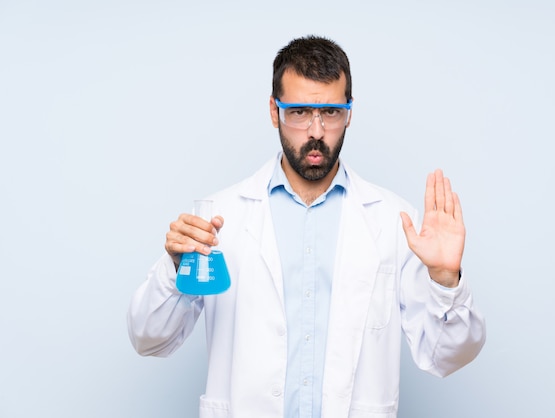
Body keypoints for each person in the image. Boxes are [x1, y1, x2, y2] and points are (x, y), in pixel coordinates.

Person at [127, 35, 486, 418]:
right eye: (299, 112)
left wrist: (446, 280)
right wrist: (175, 268)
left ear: (349, 113)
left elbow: (447, 355)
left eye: (330, 112)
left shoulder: (394, 221)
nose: (316, 130)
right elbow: (150, 339)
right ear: (273, 111)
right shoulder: (220, 218)